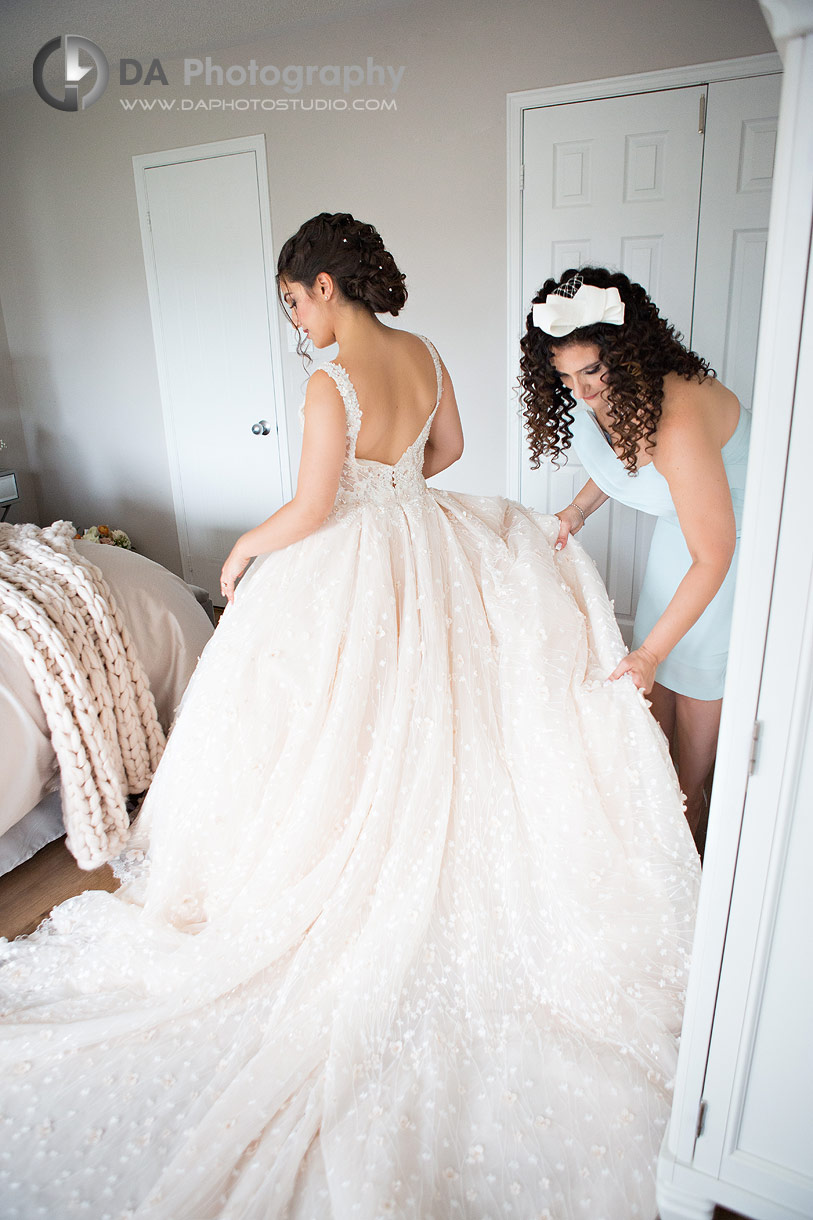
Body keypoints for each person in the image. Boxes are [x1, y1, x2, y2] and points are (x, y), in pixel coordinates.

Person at [0, 216, 700, 1220]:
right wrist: (402, 488)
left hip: (356, 556)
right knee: (440, 713)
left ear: (323, 285)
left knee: (333, 724)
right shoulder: (425, 354)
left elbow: (315, 505)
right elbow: (447, 448)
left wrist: (244, 547)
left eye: (294, 302)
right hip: (429, 540)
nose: (298, 322)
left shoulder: (329, 382)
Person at [520, 268, 750, 845]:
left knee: (688, 673)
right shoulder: (609, 395)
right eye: (565, 375)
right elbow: (623, 464)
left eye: (592, 370)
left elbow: (714, 555)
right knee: (654, 694)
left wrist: (647, 653)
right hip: (684, 528)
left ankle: (695, 814)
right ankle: (663, 816)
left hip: (731, 542)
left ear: (624, 354)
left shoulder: (678, 420)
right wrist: (574, 514)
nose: (581, 390)